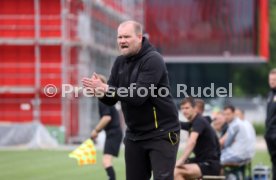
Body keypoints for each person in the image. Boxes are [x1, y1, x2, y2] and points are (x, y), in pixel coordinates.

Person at [82, 20, 180, 180]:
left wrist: (106, 88)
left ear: (139, 37)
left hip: (162, 133)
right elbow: (111, 100)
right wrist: (100, 92)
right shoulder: (119, 62)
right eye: (119, 37)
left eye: (126, 37)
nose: (122, 41)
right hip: (134, 135)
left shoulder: (153, 59)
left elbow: (138, 96)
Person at [174, 97, 221, 180]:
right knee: (172, 169)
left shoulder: (199, 121)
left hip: (210, 164)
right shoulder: (193, 123)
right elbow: (179, 124)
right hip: (200, 161)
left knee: (176, 172)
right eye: (182, 108)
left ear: (194, 108)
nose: (184, 111)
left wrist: (181, 160)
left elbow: (192, 142)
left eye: (187, 108)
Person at [90, 75, 123, 180]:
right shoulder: (106, 98)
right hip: (113, 132)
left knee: (106, 161)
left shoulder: (103, 98)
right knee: (106, 161)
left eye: (93, 83)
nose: (91, 86)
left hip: (114, 132)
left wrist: (96, 130)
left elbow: (106, 118)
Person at [265, 68, 276, 180]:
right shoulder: (270, 95)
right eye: (271, 79)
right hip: (270, 135)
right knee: (274, 161)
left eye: (274, 79)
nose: (272, 81)